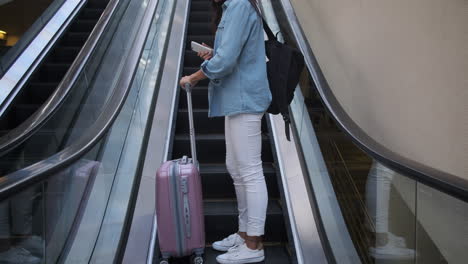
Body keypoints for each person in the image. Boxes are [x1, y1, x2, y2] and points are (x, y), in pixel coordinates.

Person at [179, 0, 271, 263]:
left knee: (250, 170)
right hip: (235, 98)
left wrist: (194, 77)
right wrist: (213, 54)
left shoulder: (240, 5)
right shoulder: (232, 7)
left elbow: (228, 59)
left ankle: (254, 245)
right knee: (235, 167)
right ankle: (244, 235)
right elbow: (230, 53)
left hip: (245, 97)